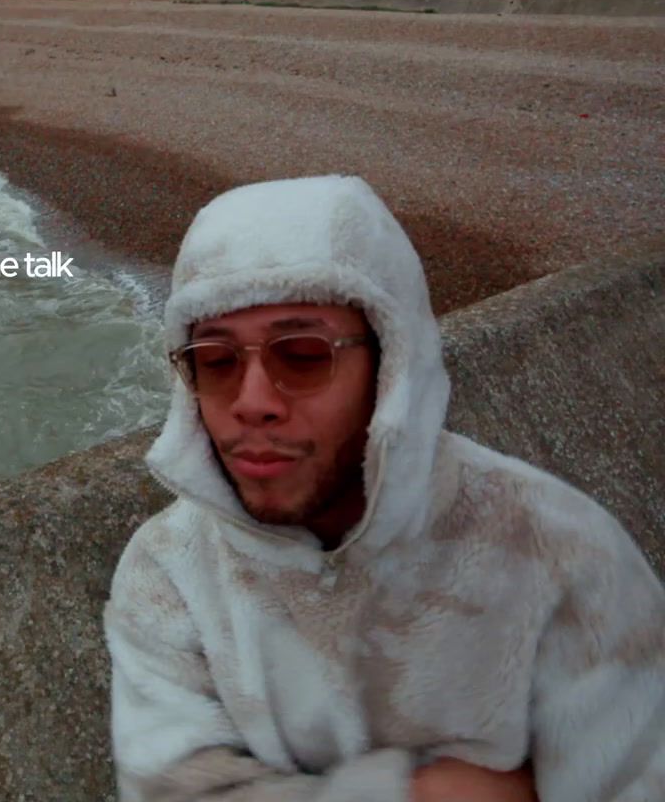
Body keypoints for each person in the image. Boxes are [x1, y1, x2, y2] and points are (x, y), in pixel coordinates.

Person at [105, 174, 665, 802]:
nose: (252, 401)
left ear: (393, 364)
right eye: (216, 359)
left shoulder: (556, 550)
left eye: (303, 353)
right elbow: (169, 788)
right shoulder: (167, 570)